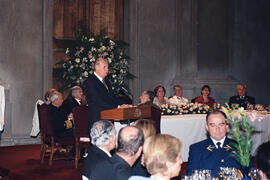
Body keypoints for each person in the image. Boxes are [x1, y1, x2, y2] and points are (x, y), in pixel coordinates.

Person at [187, 110, 243, 178]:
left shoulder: (239, 147)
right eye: (213, 125)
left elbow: (247, 174)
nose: (217, 129)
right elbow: (191, 176)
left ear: (226, 126)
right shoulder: (197, 149)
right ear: (207, 128)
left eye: (221, 125)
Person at [84, 57, 128, 128]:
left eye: (107, 67)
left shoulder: (107, 81)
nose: (107, 70)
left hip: (109, 118)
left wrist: (126, 105)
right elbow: (98, 101)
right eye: (104, 67)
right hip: (97, 120)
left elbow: (112, 98)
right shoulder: (90, 82)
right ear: (96, 67)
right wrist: (118, 107)